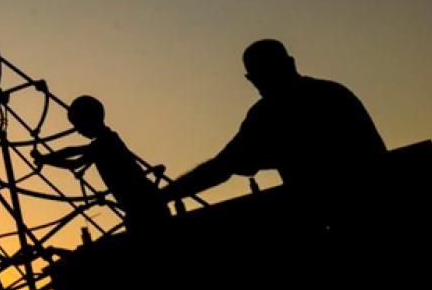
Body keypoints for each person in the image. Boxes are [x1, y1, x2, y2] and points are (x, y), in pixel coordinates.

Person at [161, 39, 386, 202]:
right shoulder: (333, 92)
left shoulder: (269, 114)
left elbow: (224, 166)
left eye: (264, 73)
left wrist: (164, 196)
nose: (260, 82)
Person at [32, 95, 169, 231]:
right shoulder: (106, 140)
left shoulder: (105, 142)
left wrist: (45, 159)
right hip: (140, 204)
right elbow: (73, 153)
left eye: (78, 126)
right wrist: (46, 158)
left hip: (143, 204)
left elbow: (73, 160)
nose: (78, 131)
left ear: (88, 121)